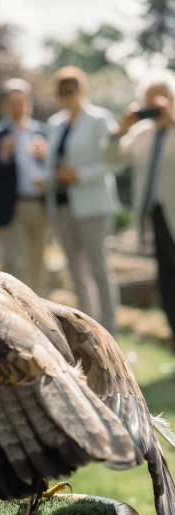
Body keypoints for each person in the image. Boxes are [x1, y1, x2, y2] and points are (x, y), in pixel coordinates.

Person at [43, 66, 119, 335]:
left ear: (82, 90)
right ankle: (88, 331)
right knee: (75, 272)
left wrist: (79, 175)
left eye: (70, 91)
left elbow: (114, 162)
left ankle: (110, 330)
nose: (65, 96)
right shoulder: (55, 124)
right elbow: (53, 165)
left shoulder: (100, 119)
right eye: (60, 92)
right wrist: (48, 173)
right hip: (63, 206)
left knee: (99, 269)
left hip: (93, 205)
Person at [105, 70, 175, 344]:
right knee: (166, 279)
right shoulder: (141, 133)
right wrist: (121, 128)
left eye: (159, 100)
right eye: (148, 102)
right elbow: (110, 158)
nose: (152, 107)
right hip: (154, 217)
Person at [0, 79, 48, 293]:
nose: (19, 107)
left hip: (40, 205)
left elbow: (57, 167)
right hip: (11, 206)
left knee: (37, 264)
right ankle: (13, 316)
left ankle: (38, 318)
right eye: (13, 102)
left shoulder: (43, 132)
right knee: (13, 264)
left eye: (22, 102)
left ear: (29, 104)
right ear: (5, 105)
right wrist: (2, 156)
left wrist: (45, 158)